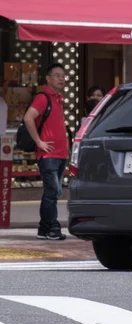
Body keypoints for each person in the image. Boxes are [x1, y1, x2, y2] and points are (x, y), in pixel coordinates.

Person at [23, 63, 69, 241]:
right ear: (48, 79)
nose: (61, 78)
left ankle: (44, 229)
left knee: (53, 192)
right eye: (57, 75)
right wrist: (39, 141)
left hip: (60, 154)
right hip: (48, 154)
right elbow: (28, 117)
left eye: (63, 75)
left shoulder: (58, 98)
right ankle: (53, 227)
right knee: (53, 191)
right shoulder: (43, 98)